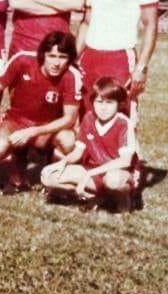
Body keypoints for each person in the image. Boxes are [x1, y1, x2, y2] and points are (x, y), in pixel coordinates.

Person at [0, 31, 80, 193]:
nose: (56, 63)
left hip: (47, 128)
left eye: (62, 57)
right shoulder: (23, 60)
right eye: (52, 56)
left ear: (70, 59)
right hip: (17, 121)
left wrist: (33, 131)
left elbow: (69, 119)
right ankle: (16, 173)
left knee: (68, 141)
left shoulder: (71, 75)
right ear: (43, 54)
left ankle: (52, 177)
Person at [40, 77, 139, 211]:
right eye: (99, 102)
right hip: (92, 170)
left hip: (116, 172)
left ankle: (123, 200)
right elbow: (79, 151)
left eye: (109, 103)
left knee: (113, 180)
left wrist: (90, 173)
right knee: (48, 176)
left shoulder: (124, 123)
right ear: (93, 102)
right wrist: (62, 163)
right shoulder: (89, 118)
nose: (103, 108)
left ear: (119, 104)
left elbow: (125, 161)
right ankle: (96, 196)